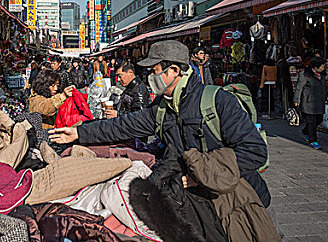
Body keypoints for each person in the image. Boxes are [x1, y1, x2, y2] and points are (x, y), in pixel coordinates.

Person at [50, 40, 271, 211]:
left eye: (154, 71)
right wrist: (79, 132)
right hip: (203, 203)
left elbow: (255, 152)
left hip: (245, 199)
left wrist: (202, 176)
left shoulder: (218, 101)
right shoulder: (162, 108)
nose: (149, 77)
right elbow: (122, 126)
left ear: (174, 70)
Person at [294, 56, 327, 150]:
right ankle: (313, 140)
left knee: (319, 120)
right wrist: (296, 100)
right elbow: (299, 88)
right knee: (311, 122)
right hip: (308, 102)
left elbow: (323, 88)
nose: (323, 68)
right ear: (315, 67)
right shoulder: (304, 74)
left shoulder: (323, 75)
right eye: (322, 66)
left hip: (319, 101)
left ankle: (305, 131)